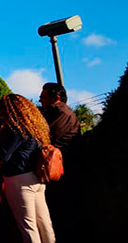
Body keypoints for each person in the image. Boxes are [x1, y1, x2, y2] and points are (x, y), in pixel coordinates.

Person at [0, 94, 55, 243]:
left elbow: (3, 155)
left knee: (28, 225)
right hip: (36, 178)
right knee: (44, 222)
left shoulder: (15, 128)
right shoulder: (35, 127)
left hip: (18, 179)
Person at [39, 83, 81, 242]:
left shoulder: (58, 112)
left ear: (56, 98)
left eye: (43, 97)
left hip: (59, 169)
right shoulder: (64, 113)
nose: (40, 100)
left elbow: (45, 137)